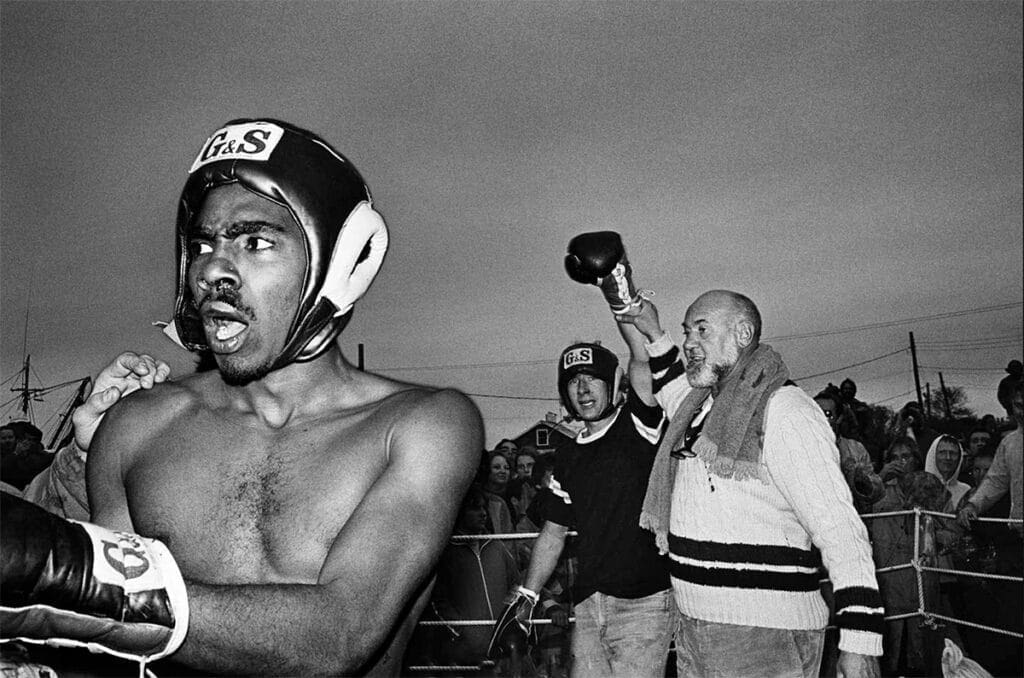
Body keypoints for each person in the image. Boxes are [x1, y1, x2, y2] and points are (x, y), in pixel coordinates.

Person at [1, 119, 483, 676]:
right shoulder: (139, 427)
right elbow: (114, 650)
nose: (213, 270)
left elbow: (339, 634)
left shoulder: (421, 426)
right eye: (203, 244)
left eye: (255, 242)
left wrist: (68, 574)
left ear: (335, 261)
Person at [621, 289, 883, 678]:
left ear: (743, 334)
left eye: (702, 330)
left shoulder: (785, 410)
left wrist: (860, 644)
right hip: (696, 627)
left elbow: (840, 529)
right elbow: (668, 382)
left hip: (766, 638)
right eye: (687, 332)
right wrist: (651, 327)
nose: (689, 343)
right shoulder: (703, 408)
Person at [493, 232, 673, 678]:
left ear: (611, 386)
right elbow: (553, 534)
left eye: (593, 378)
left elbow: (638, 355)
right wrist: (527, 597)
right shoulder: (569, 455)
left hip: (645, 601)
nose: (583, 388)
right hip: (589, 603)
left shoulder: (639, 422)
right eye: (574, 381)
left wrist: (617, 292)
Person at [814, 387, 884, 513]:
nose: (820, 419)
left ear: (839, 418)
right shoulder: (798, 448)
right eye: (815, 413)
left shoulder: (856, 449)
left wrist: (856, 475)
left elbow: (876, 493)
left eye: (827, 414)